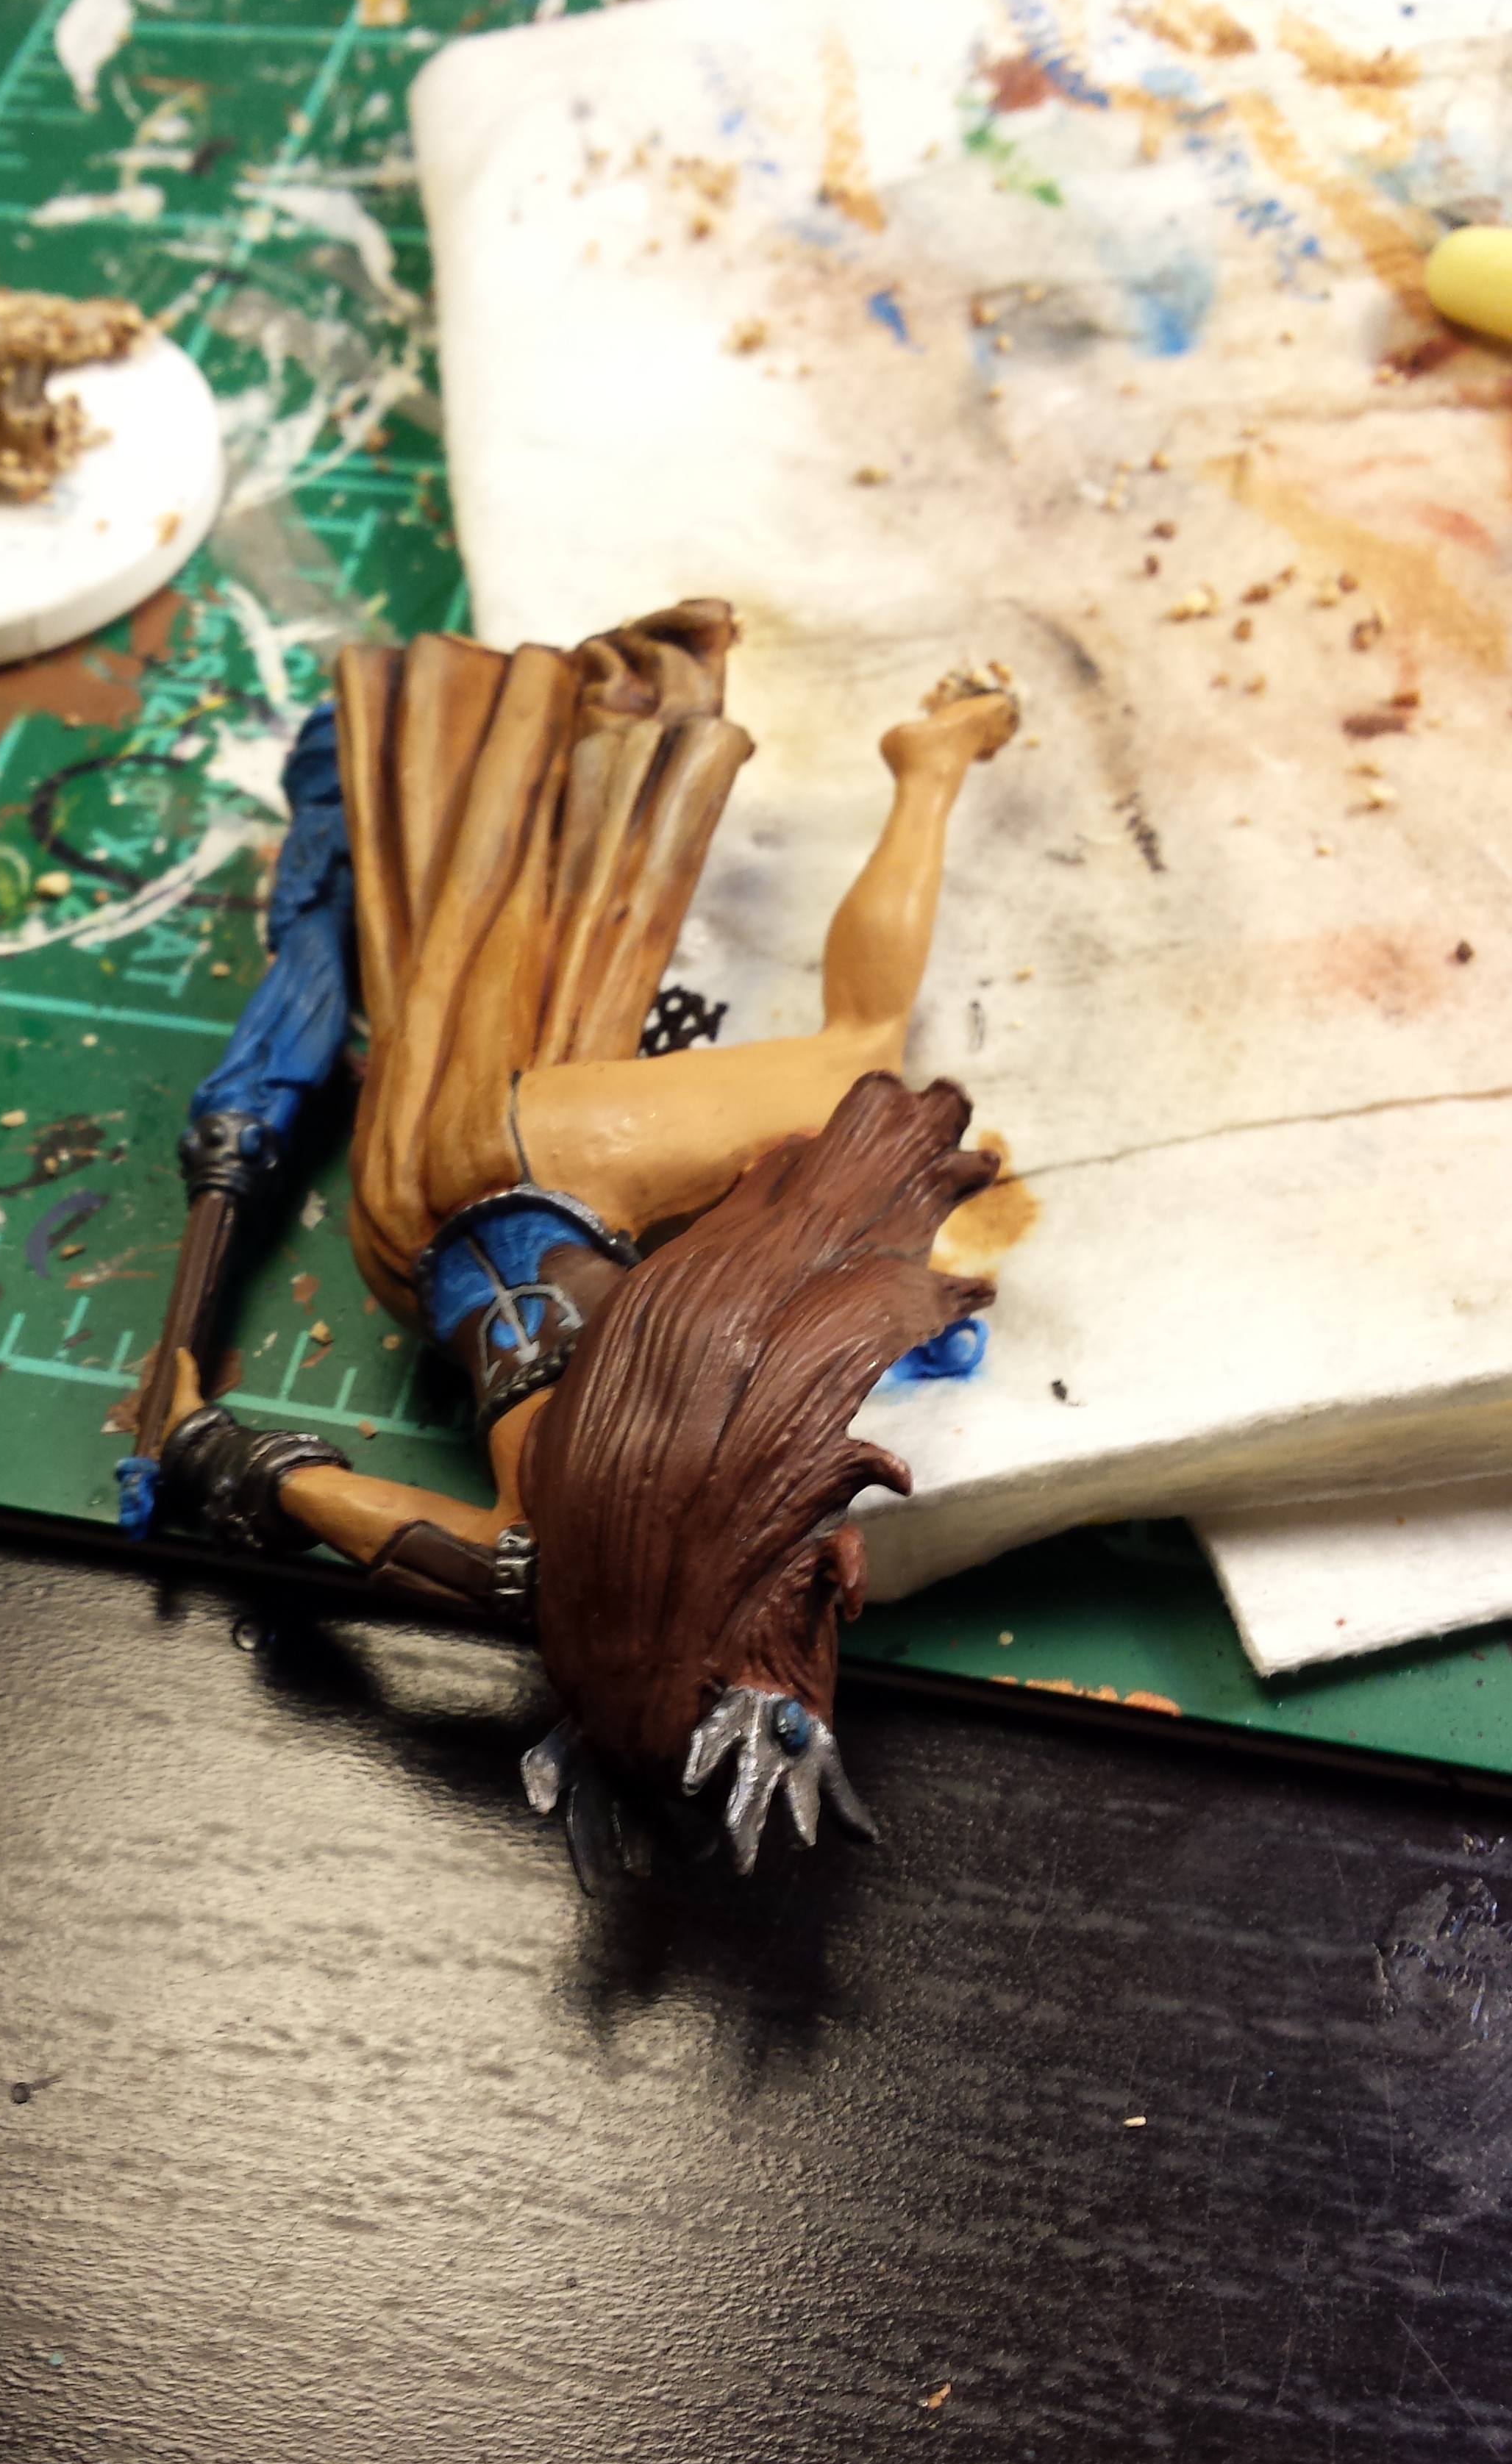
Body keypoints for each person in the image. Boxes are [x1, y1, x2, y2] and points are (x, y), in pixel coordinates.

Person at [156, 599, 1016, 1871]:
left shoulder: (616, 1540)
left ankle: (926, 765)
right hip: (408, 1234)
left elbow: (330, 1501)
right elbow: (326, 1497)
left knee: (861, 1049)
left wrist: (203, 1450)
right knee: (519, 945)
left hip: (533, 1167)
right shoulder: (531, 1566)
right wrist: (205, 1445)